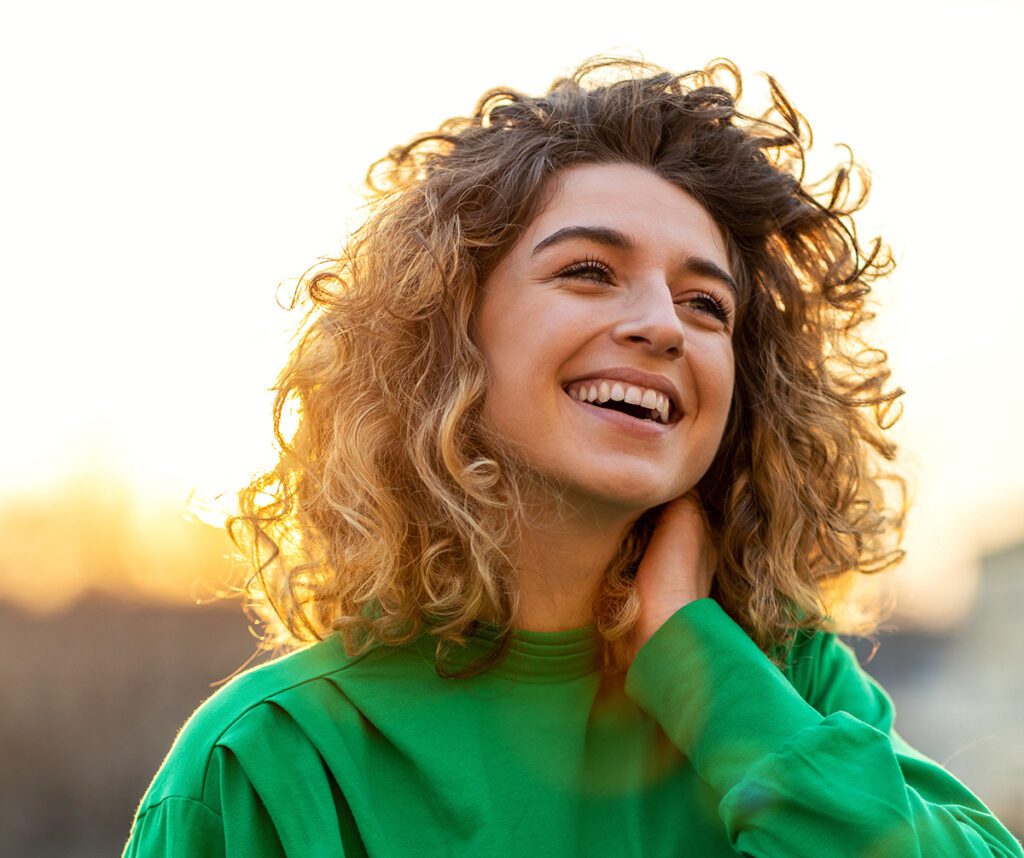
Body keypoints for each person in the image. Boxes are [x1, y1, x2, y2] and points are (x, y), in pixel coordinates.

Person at [123, 57, 1023, 856]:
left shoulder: (791, 688)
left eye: (707, 304)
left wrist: (703, 676)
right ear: (445, 338)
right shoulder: (271, 760)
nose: (663, 325)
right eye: (588, 271)